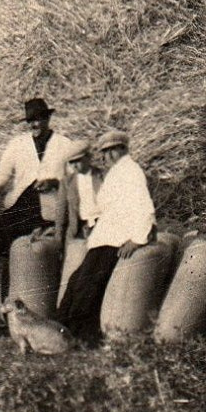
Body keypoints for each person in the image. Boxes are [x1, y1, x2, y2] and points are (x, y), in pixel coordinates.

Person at [55, 129, 156, 343]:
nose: (107, 156)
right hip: (102, 238)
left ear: (123, 149)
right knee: (76, 281)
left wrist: (137, 240)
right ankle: (59, 330)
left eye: (112, 150)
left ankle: (80, 337)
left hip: (114, 240)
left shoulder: (131, 171)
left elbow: (145, 208)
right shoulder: (117, 172)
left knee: (87, 286)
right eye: (104, 152)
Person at [0, 98, 79, 301]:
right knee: (13, 255)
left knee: (46, 257)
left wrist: (55, 183)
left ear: (48, 118)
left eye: (38, 119)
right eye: (30, 121)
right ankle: (8, 303)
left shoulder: (64, 145)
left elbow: (75, 178)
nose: (34, 125)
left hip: (51, 211)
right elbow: (0, 176)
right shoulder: (17, 145)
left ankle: (44, 304)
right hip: (21, 209)